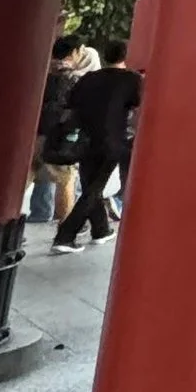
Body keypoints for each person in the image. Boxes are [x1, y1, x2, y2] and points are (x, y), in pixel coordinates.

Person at [60, 40, 143, 248]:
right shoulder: (131, 80)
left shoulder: (89, 78)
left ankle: (101, 230)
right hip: (113, 139)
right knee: (93, 189)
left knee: (91, 185)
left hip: (86, 139)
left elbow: (72, 102)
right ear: (125, 56)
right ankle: (65, 235)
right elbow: (137, 104)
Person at [32, 35, 86, 234]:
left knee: (27, 175)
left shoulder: (41, 73)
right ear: (74, 52)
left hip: (33, 132)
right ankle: (66, 229)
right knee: (66, 179)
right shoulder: (72, 79)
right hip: (57, 135)